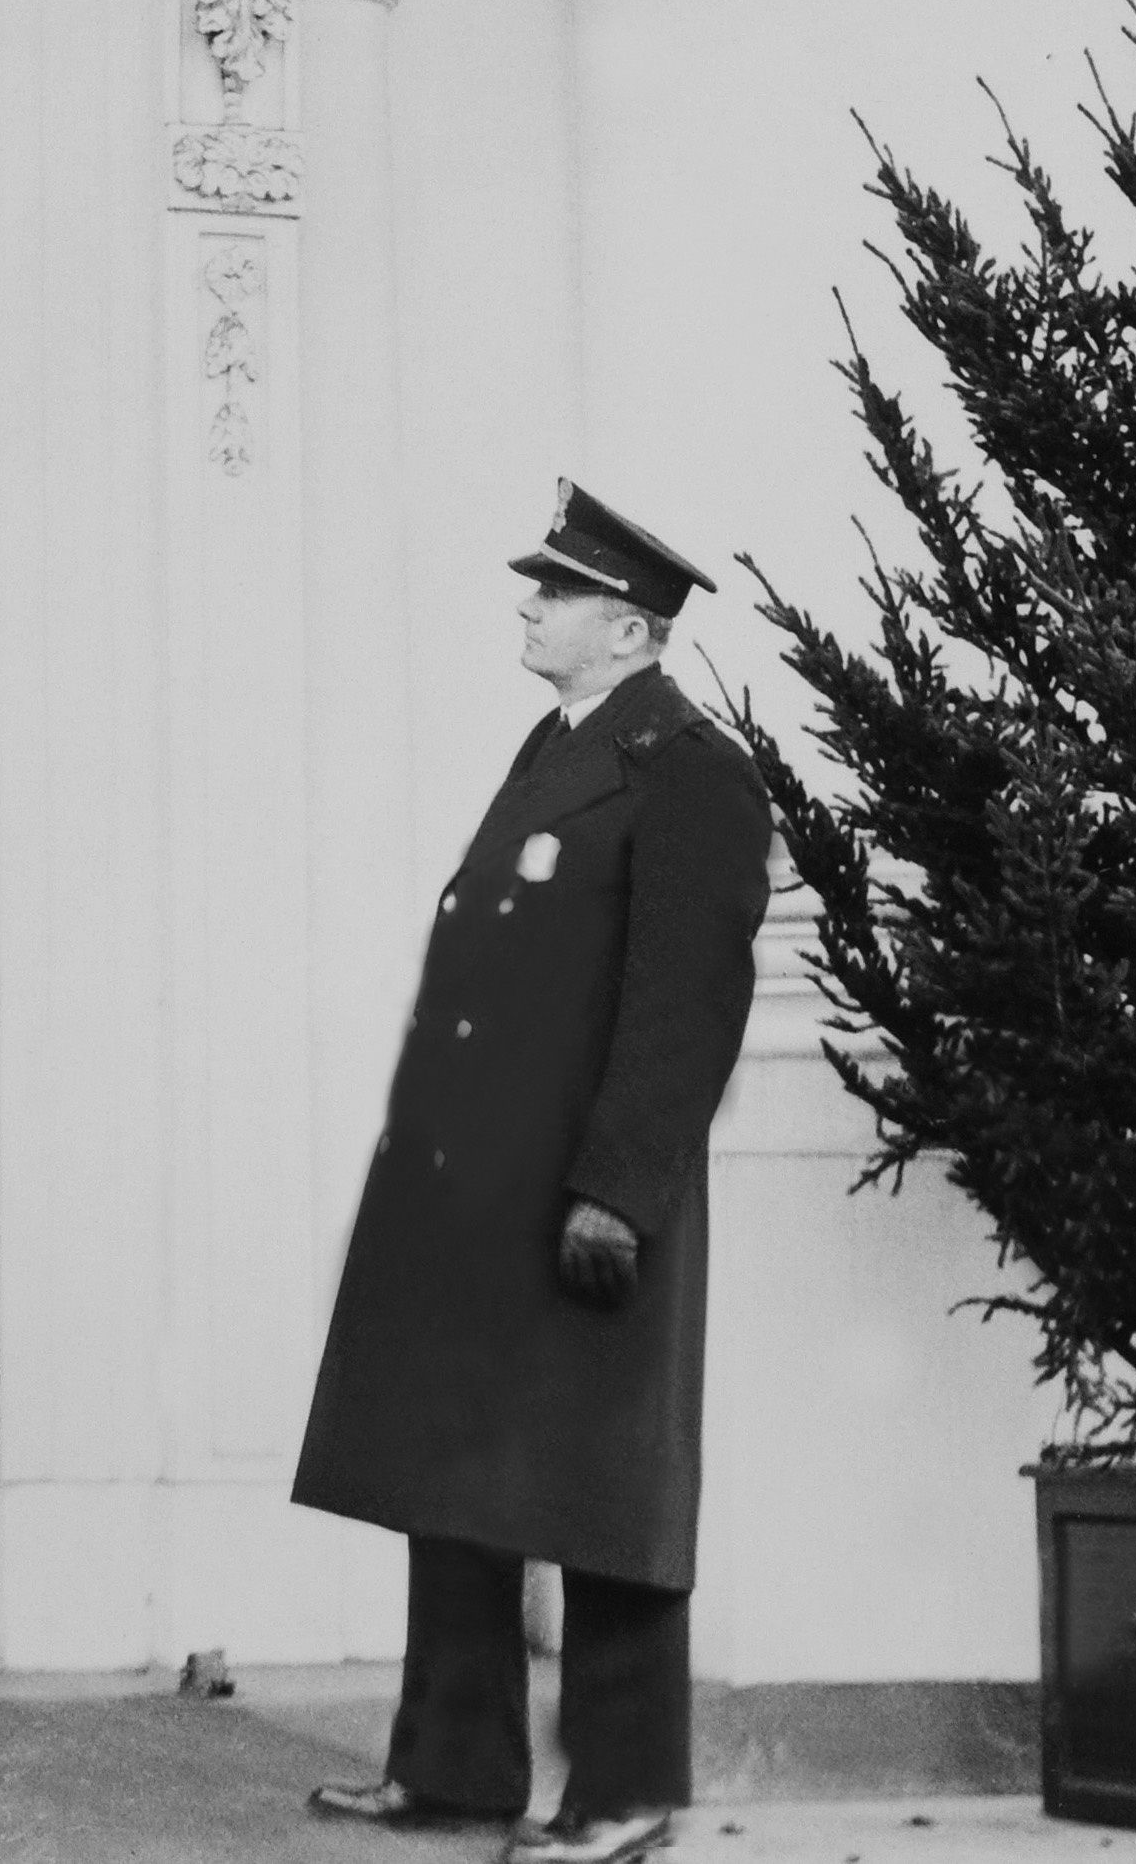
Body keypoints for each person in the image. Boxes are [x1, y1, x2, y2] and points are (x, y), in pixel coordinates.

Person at [292, 483, 775, 1864]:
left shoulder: (688, 768)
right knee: (450, 1474)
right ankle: (452, 1769)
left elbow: (686, 1008)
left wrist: (618, 1190)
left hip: (579, 1196)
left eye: (552, 594)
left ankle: (623, 1795)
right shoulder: (554, 745)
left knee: (599, 1492)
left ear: (625, 629)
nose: (528, 607)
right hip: (470, 1192)